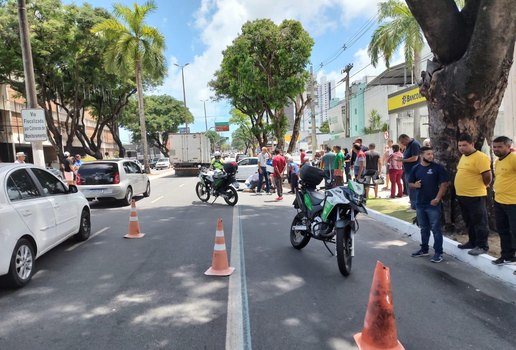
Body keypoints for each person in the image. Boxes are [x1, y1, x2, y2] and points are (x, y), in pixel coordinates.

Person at [408, 146, 449, 263]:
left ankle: (438, 253)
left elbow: (444, 184)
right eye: (428, 154)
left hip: (433, 204)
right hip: (420, 203)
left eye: (432, 154)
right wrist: (415, 185)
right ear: (422, 155)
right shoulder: (416, 168)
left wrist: (437, 198)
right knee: (424, 228)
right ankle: (424, 249)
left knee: (436, 229)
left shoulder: (438, 168)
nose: (431, 156)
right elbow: (410, 183)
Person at [455, 133, 492, 256]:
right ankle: (472, 242)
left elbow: (487, 176)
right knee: (469, 221)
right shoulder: (464, 156)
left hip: (475, 195)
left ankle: (482, 246)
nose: (461, 148)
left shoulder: (480, 157)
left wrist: (484, 186)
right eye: (459, 145)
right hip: (462, 195)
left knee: (480, 222)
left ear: (472, 144)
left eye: (464, 145)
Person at [491, 136, 516, 264]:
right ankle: (507, 255)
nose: (496, 149)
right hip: (499, 201)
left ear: (508, 146)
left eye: (500, 146)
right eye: (494, 147)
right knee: (503, 230)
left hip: (513, 203)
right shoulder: (498, 161)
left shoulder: (514, 158)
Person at [397, 134, 421, 212]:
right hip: (408, 171)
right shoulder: (409, 145)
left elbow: (415, 158)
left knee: (413, 188)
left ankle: (415, 207)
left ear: (406, 138)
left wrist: (403, 160)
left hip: (413, 171)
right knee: (409, 189)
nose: (403, 144)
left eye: (403, 142)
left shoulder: (414, 144)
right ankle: (412, 205)